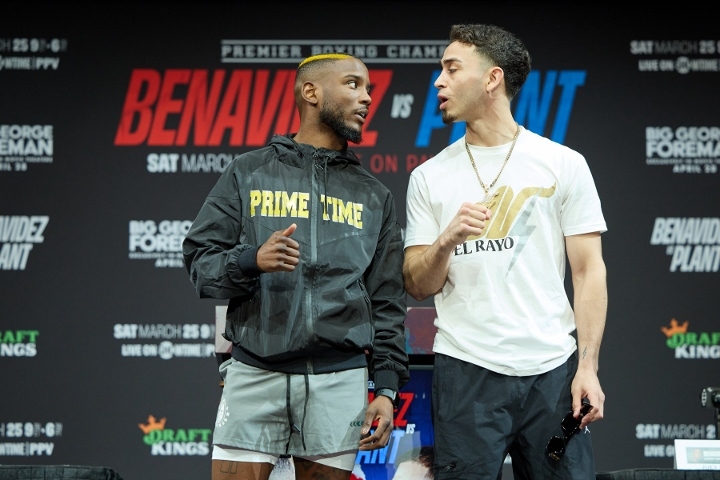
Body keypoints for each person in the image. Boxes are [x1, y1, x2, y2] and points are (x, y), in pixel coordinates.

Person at [183, 52, 409, 480]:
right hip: (255, 371)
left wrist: (386, 387)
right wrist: (250, 260)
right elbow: (200, 259)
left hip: (339, 380)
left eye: (369, 89)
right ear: (311, 92)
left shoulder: (374, 195)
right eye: (353, 84)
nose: (366, 98)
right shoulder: (248, 172)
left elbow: (387, 300)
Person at [402, 24, 608, 479]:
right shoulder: (429, 177)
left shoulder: (564, 164)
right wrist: (446, 240)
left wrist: (588, 367)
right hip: (466, 375)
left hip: (553, 375)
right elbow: (417, 283)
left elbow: (588, 272)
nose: (439, 81)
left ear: (492, 78)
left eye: (452, 69)